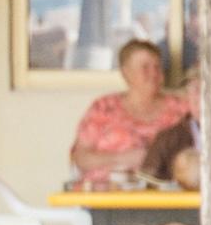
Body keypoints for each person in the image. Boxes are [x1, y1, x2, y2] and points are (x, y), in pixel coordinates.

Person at [69, 34, 197, 190]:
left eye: (157, 67)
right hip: (105, 197)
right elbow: (81, 158)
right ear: (125, 73)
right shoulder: (103, 107)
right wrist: (122, 159)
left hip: (164, 198)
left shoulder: (181, 106)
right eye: (145, 67)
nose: (153, 73)